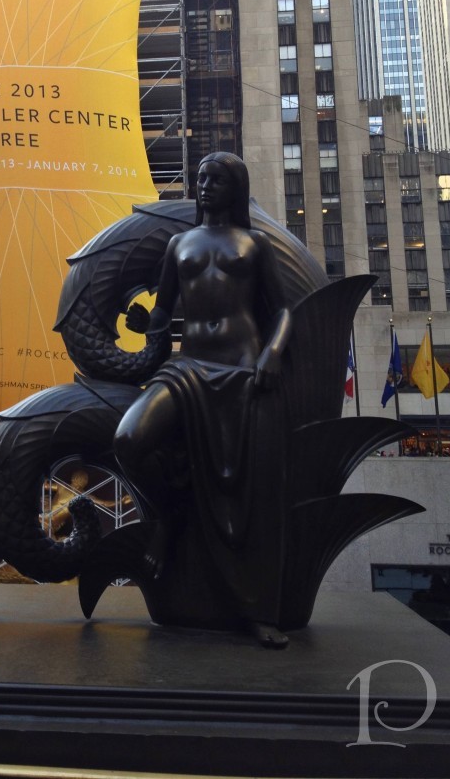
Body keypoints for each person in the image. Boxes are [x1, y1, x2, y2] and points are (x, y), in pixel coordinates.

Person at [113, 151, 293, 645]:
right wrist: (144, 328)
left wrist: (273, 354)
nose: (205, 185)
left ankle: (260, 612)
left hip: (244, 371)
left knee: (252, 496)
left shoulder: (254, 243)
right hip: (188, 368)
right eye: (200, 178)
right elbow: (162, 313)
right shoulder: (178, 244)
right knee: (129, 438)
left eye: (215, 179)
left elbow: (282, 311)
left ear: (235, 187)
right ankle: (168, 517)